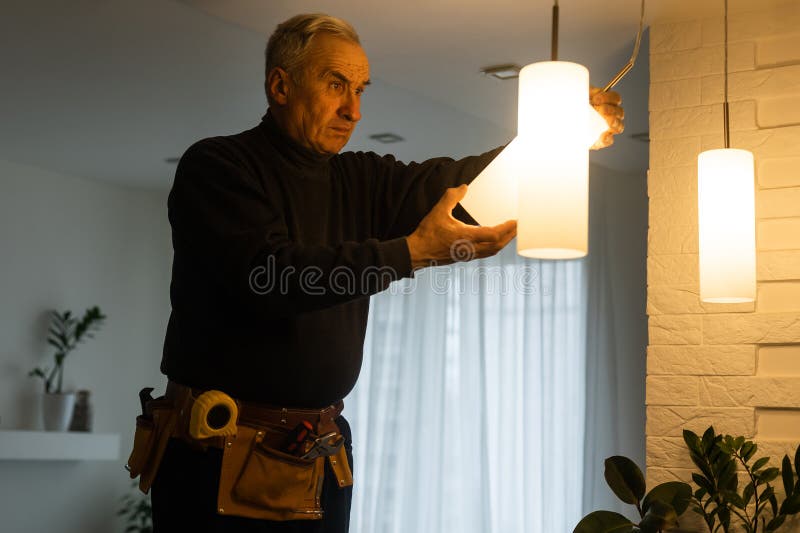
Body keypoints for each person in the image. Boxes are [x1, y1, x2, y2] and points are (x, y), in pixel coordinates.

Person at [149, 12, 624, 533]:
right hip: (217, 453)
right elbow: (272, 277)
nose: (353, 110)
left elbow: (465, 184)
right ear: (280, 86)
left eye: (360, 90)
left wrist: (563, 134)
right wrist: (411, 253)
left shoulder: (360, 178)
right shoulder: (218, 166)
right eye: (336, 85)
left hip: (319, 448)